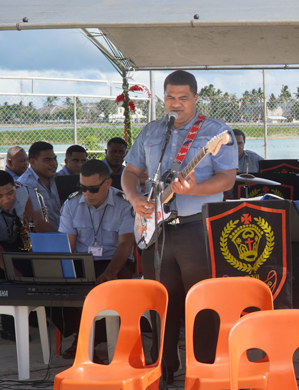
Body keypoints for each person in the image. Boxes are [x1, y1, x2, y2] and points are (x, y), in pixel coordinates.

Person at [122, 70, 237, 385]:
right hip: (156, 231)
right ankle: (163, 370)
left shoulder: (215, 132)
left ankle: (204, 372)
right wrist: (135, 199)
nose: (176, 104)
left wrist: (193, 190)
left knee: (201, 304)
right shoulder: (152, 131)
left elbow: (227, 178)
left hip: (195, 228)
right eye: (170, 97)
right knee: (160, 303)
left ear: (196, 98)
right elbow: (130, 172)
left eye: (183, 98)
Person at [56, 159, 135, 358]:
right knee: (55, 290)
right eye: (83, 188)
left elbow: (126, 244)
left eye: (92, 189)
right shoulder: (72, 204)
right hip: (82, 261)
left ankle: (89, 341)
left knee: (104, 288)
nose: (87, 194)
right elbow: (67, 245)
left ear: (107, 183)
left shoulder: (125, 205)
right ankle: (83, 338)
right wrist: (64, 273)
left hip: (114, 261)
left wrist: (110, 272)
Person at [0, 170, 55, 340]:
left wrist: (63, 239)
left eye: (10, 193)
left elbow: (36, 224)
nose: (7, 199)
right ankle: (8, 324)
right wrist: (13, 272)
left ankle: (31, 311)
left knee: (32, 265)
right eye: (0, 196)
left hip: (15, 239)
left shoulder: (23, 191)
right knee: (8, 275)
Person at [18, 142, 61, 229]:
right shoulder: (26, 184)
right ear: (33, 162)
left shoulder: (57, 179)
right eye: (47, 160)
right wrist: (64, 239)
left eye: (54, 159)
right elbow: (37, 223)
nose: (54, 163)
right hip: (45, 237)